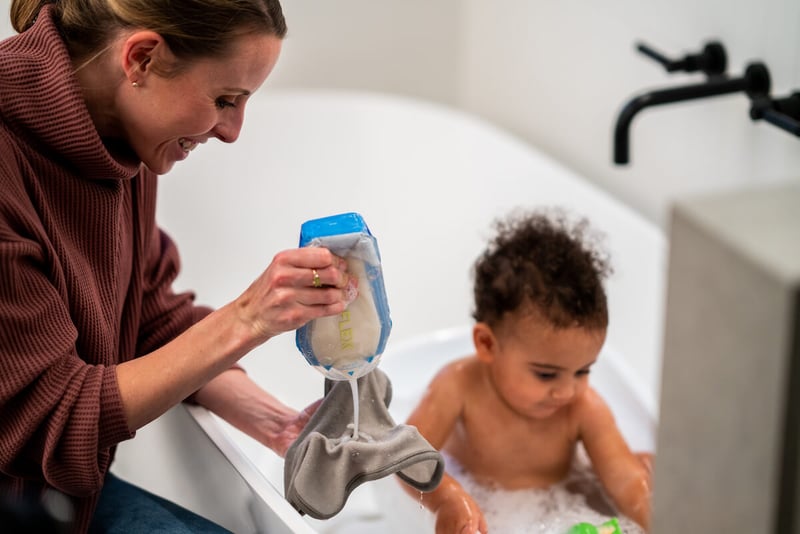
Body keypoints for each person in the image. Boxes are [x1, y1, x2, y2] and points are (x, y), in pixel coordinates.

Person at [0, 1, 358, 532]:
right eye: (224, 99)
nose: (233, 130)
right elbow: (51, 419)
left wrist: (280, 425)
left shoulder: (119, 131)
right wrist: (247, 319)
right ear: (141, 59)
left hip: (68, 497)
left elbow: (144, 312)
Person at [404, 209, 653, 533]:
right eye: (547, 374)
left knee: (643, 472)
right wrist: (447, 497)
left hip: (562, 504)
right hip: (484, 508)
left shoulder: (583, 408)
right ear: (487, 344)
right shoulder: (458, 387)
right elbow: (407, 459)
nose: (567, 391)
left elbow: (626, 483)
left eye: (583, 371)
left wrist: (654, 515)